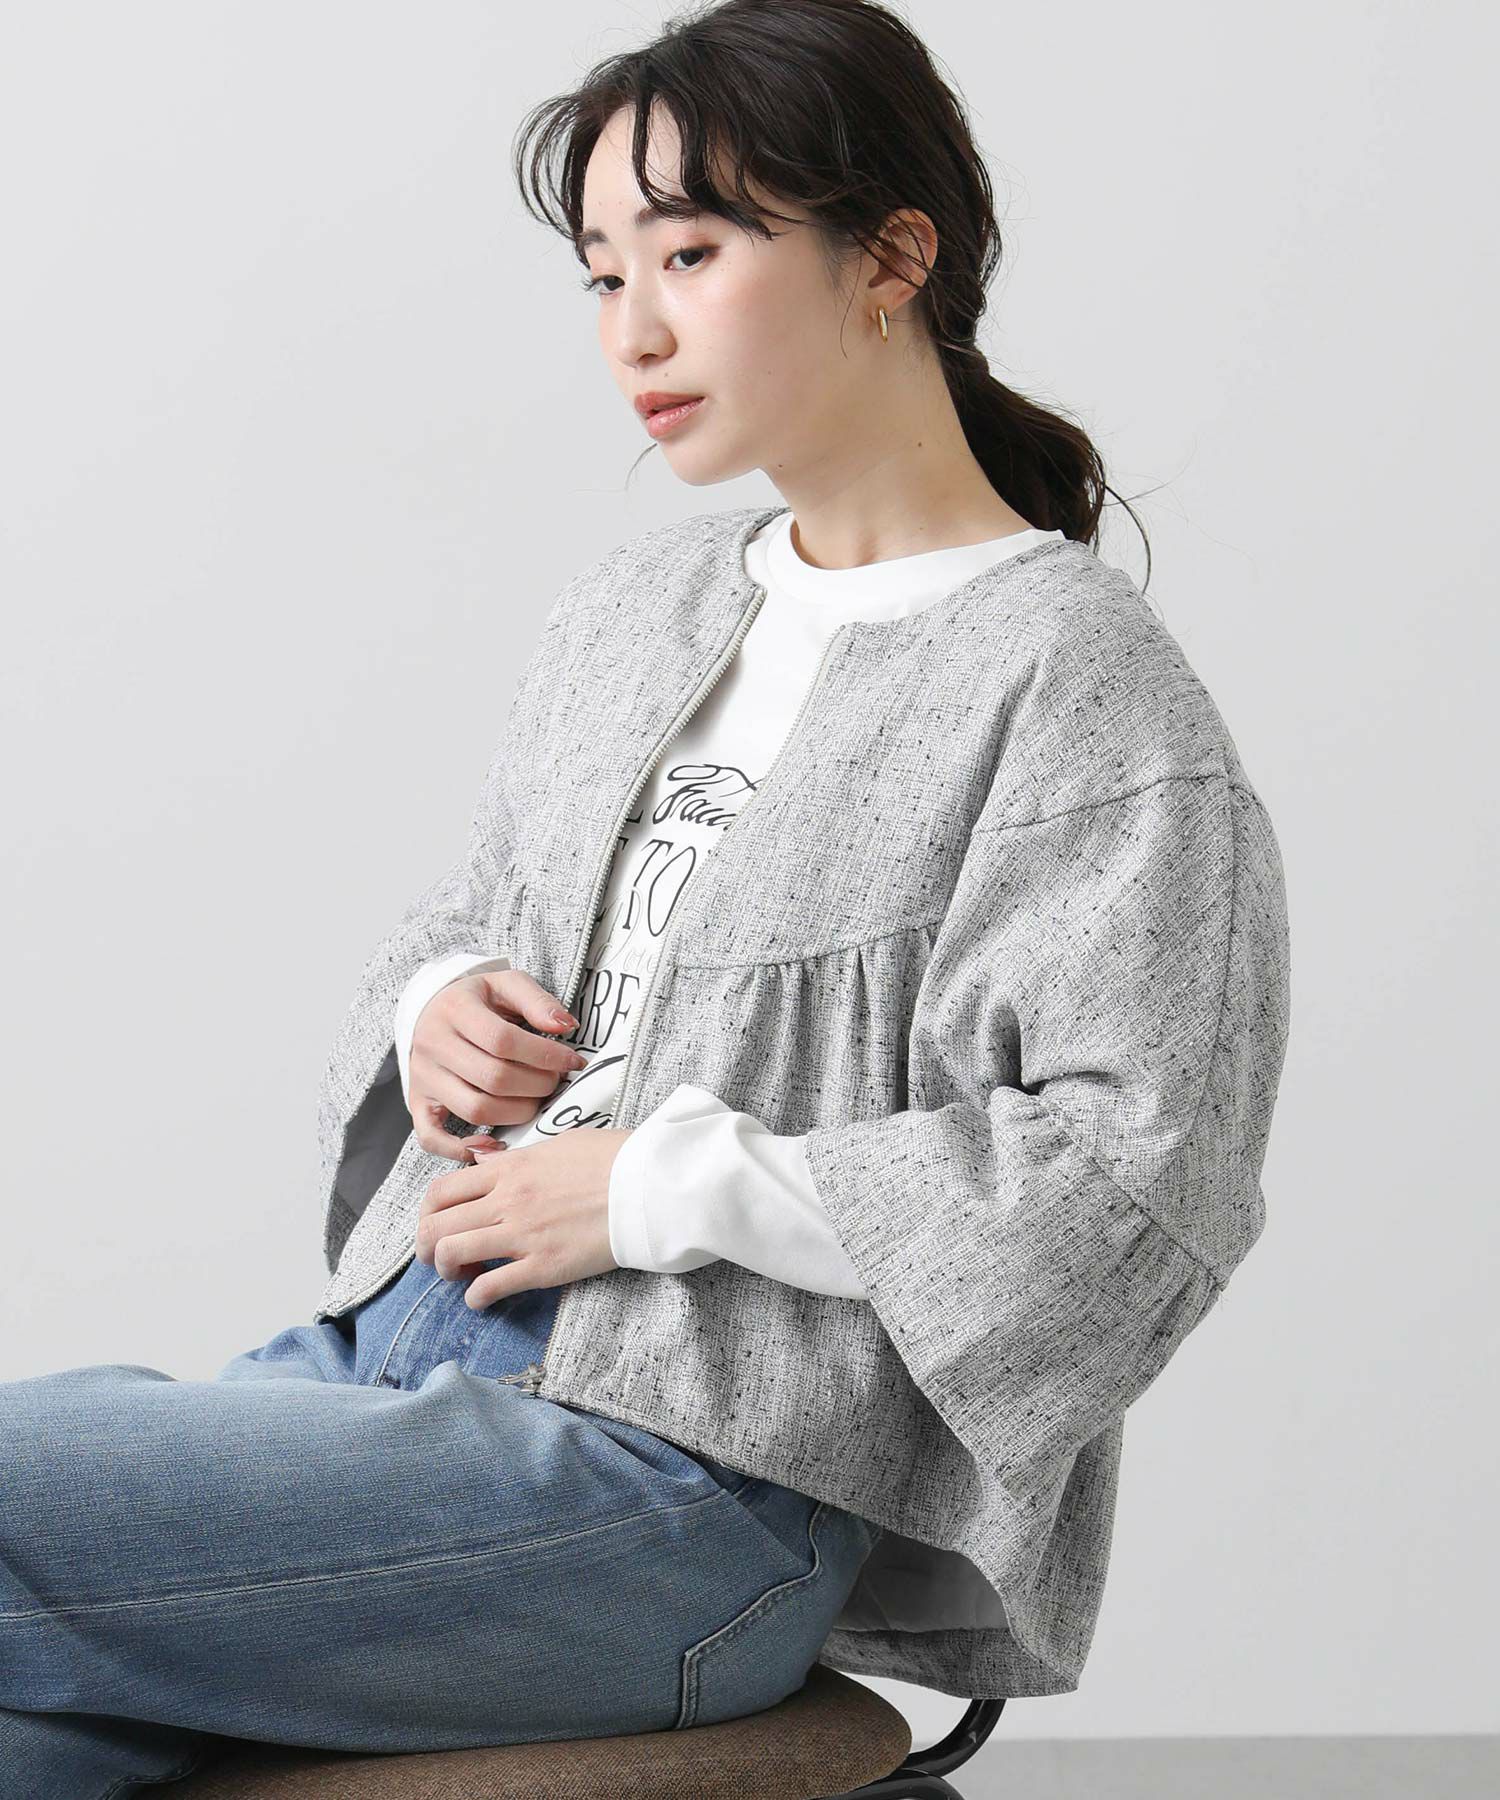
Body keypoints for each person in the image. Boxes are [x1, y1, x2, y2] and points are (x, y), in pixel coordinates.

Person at [0, 3, 1291, 1793]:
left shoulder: (1075, 687)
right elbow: (471, 914)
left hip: (693, 1490)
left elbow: (1138, 1186)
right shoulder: (630, 616)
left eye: (689, 254)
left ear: (890, 259)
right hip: (390, 1367)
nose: (634, 330)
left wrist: (666, 1188)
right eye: (603, 274)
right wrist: (436, 1010)